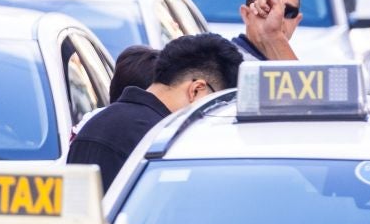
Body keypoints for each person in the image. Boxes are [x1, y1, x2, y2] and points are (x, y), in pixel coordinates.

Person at [67, 33, 242, 189]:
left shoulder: (96, 123)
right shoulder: (164, 141)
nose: (217, 114)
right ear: (196, 90)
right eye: (218, 103)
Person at [231, 0, 301, 61]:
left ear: (297, 21)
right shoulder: (219, 61)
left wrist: (274, 35)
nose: (278, 17)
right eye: (268, 7)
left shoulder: (315, 63)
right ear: (246, 15)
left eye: (288, 11)